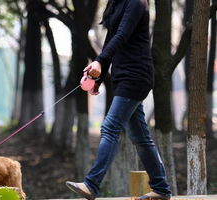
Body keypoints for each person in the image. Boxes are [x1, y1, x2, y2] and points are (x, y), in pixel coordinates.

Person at [65, 0, 172, 200]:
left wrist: (98, 61)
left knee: (110, 127)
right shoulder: (117, 3)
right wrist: (99, 74)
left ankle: (92, 184)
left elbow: (122, 35)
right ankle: (161, 188)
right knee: (141, 137)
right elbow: (111, 38)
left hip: (137, 75)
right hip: (123, 76)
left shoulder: (137, 3)